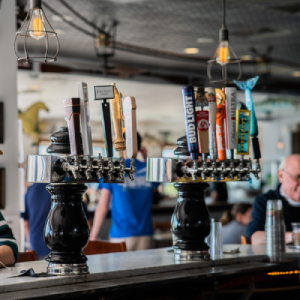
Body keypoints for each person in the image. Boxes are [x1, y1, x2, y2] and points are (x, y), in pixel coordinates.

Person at [90, 133, 160, 251]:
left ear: (120, 146)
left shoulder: (113, 170)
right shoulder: (149, 169)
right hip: (146, 233)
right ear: (139, 147)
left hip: (121, 235)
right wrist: (145, 161)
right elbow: (153, 191)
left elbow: (103, 206)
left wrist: (94, 234)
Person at [22, 183, 89, 259]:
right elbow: (82, 217)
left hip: (36, 243)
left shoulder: (30, 190)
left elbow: (26, 221)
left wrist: (31, 240)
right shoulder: (65, 188)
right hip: (61, 244)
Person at [247, 154, 300, 245]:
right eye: (296, 177)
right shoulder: (265, 201)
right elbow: (256, 238)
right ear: (280, 175)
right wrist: (294, 236)